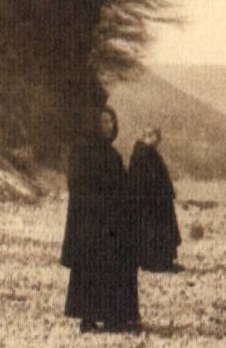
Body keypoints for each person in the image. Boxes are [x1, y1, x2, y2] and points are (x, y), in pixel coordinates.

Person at [61, 106, 140, 333]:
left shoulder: (111, 153)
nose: (109, 126)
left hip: (109, 221)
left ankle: (111, 317)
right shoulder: (82, 151)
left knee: (111, 266)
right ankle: (91, 318)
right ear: (94, 124)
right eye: (104, 121)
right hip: (91, 222)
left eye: (111, 121)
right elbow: (78, 185)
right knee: (93, 268)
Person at [128, 126, 181, 272]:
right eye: (155, 137)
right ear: (147, 136)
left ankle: (163, 262)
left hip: (157, 201)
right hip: (150, 203)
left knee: (160, 231)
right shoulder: (141, 154)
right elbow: (143, 180)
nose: (157, 141)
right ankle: (155, 264)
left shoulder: (148, 153)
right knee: (153, 232)